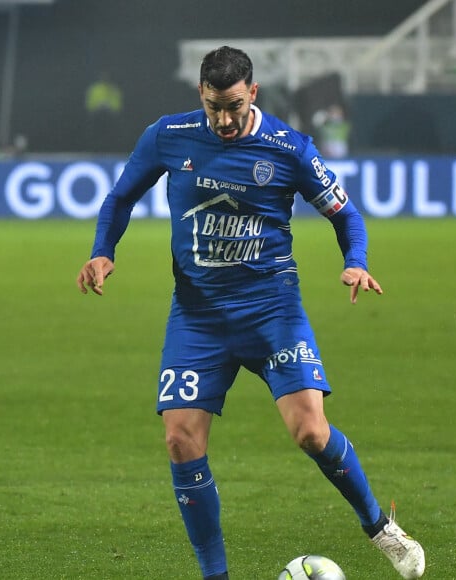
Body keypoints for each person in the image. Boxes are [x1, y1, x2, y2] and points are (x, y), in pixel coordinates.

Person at [76, 46, 425, 580]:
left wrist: (356, 262)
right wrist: (105, 250)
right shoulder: (168, 136)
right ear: (201, 94)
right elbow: (121, 197)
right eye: (214, 106)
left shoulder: (289, 147)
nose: (224, 119)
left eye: (234, 106)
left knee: (311, 432)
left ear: (253, 93)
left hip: (272, 311)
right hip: (197, 316)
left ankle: (381, 527)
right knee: (179, 440)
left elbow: (346, 215)